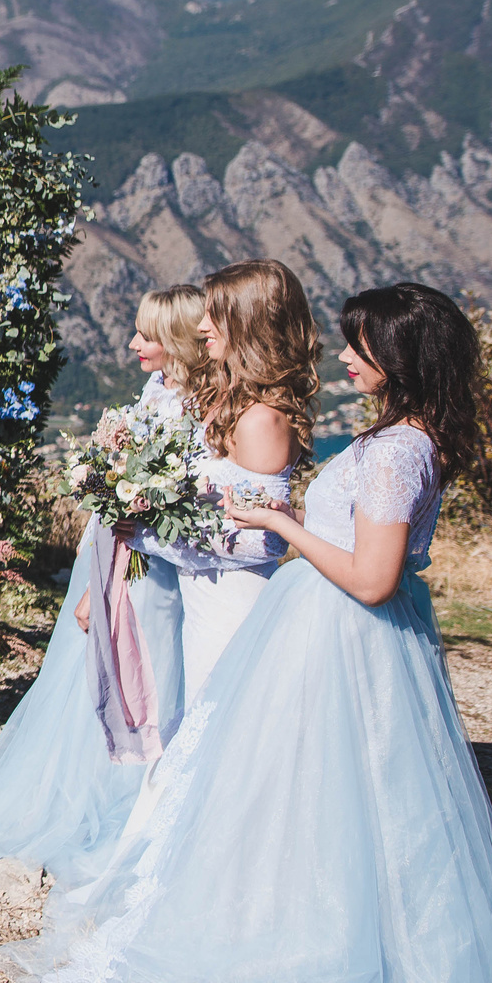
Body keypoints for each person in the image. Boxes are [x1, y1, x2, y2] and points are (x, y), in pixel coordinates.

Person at [27, 284, 492, 983]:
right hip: (337, 636)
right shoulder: (395, 441)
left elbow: (372, 576)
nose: (345, 358)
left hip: (345, 639)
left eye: (361, 346)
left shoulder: (398, 451)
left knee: (323, 795)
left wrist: (280, 524)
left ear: (399, 360)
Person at [0, 286, 204, 881]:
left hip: (145, 565)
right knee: (97, 672)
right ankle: (84, 789)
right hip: (113, 550)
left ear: (179, 340)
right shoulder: (158, 392)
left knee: (146, 669)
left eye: (148, 335)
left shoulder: (190, 408)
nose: (134, 343)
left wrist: (105, 577)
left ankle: (136, 796)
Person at [166, 259, 316, 687]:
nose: (202, 327)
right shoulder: (229, 401)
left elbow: (259, 540)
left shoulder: (261, 420)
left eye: (215, 315)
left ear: (247, 323)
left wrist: (151, 534)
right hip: (202, 597)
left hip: (234, 604)